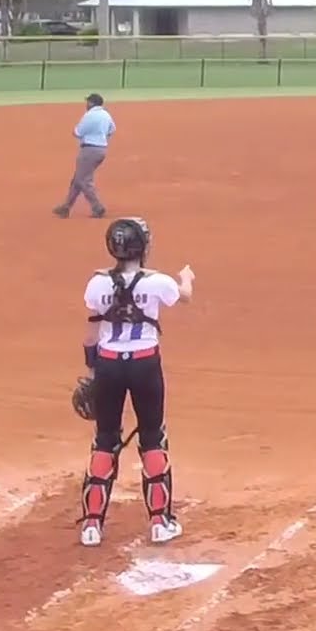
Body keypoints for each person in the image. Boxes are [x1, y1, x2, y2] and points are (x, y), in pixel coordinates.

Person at [70, 217, 195, 547]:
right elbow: (184, 296)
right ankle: (159, 521)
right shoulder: (158, 283)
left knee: (105, 439)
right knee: (153, 437)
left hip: (109, 366)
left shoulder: (97, 284)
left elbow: (91, 334)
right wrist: (186, 277)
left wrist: (94, 373)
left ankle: (92, 527)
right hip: (144, 366)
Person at [54, 93, 115, 219]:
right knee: (78, 178)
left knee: (83, 180)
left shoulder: (90, 115)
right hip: (101, 149)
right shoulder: (106, 114)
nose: (86, 104)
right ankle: (66, 207)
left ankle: (97, 207)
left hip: (89, 150)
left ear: (92, 103)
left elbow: (78, 132)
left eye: (87, 102)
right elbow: (112, 129)